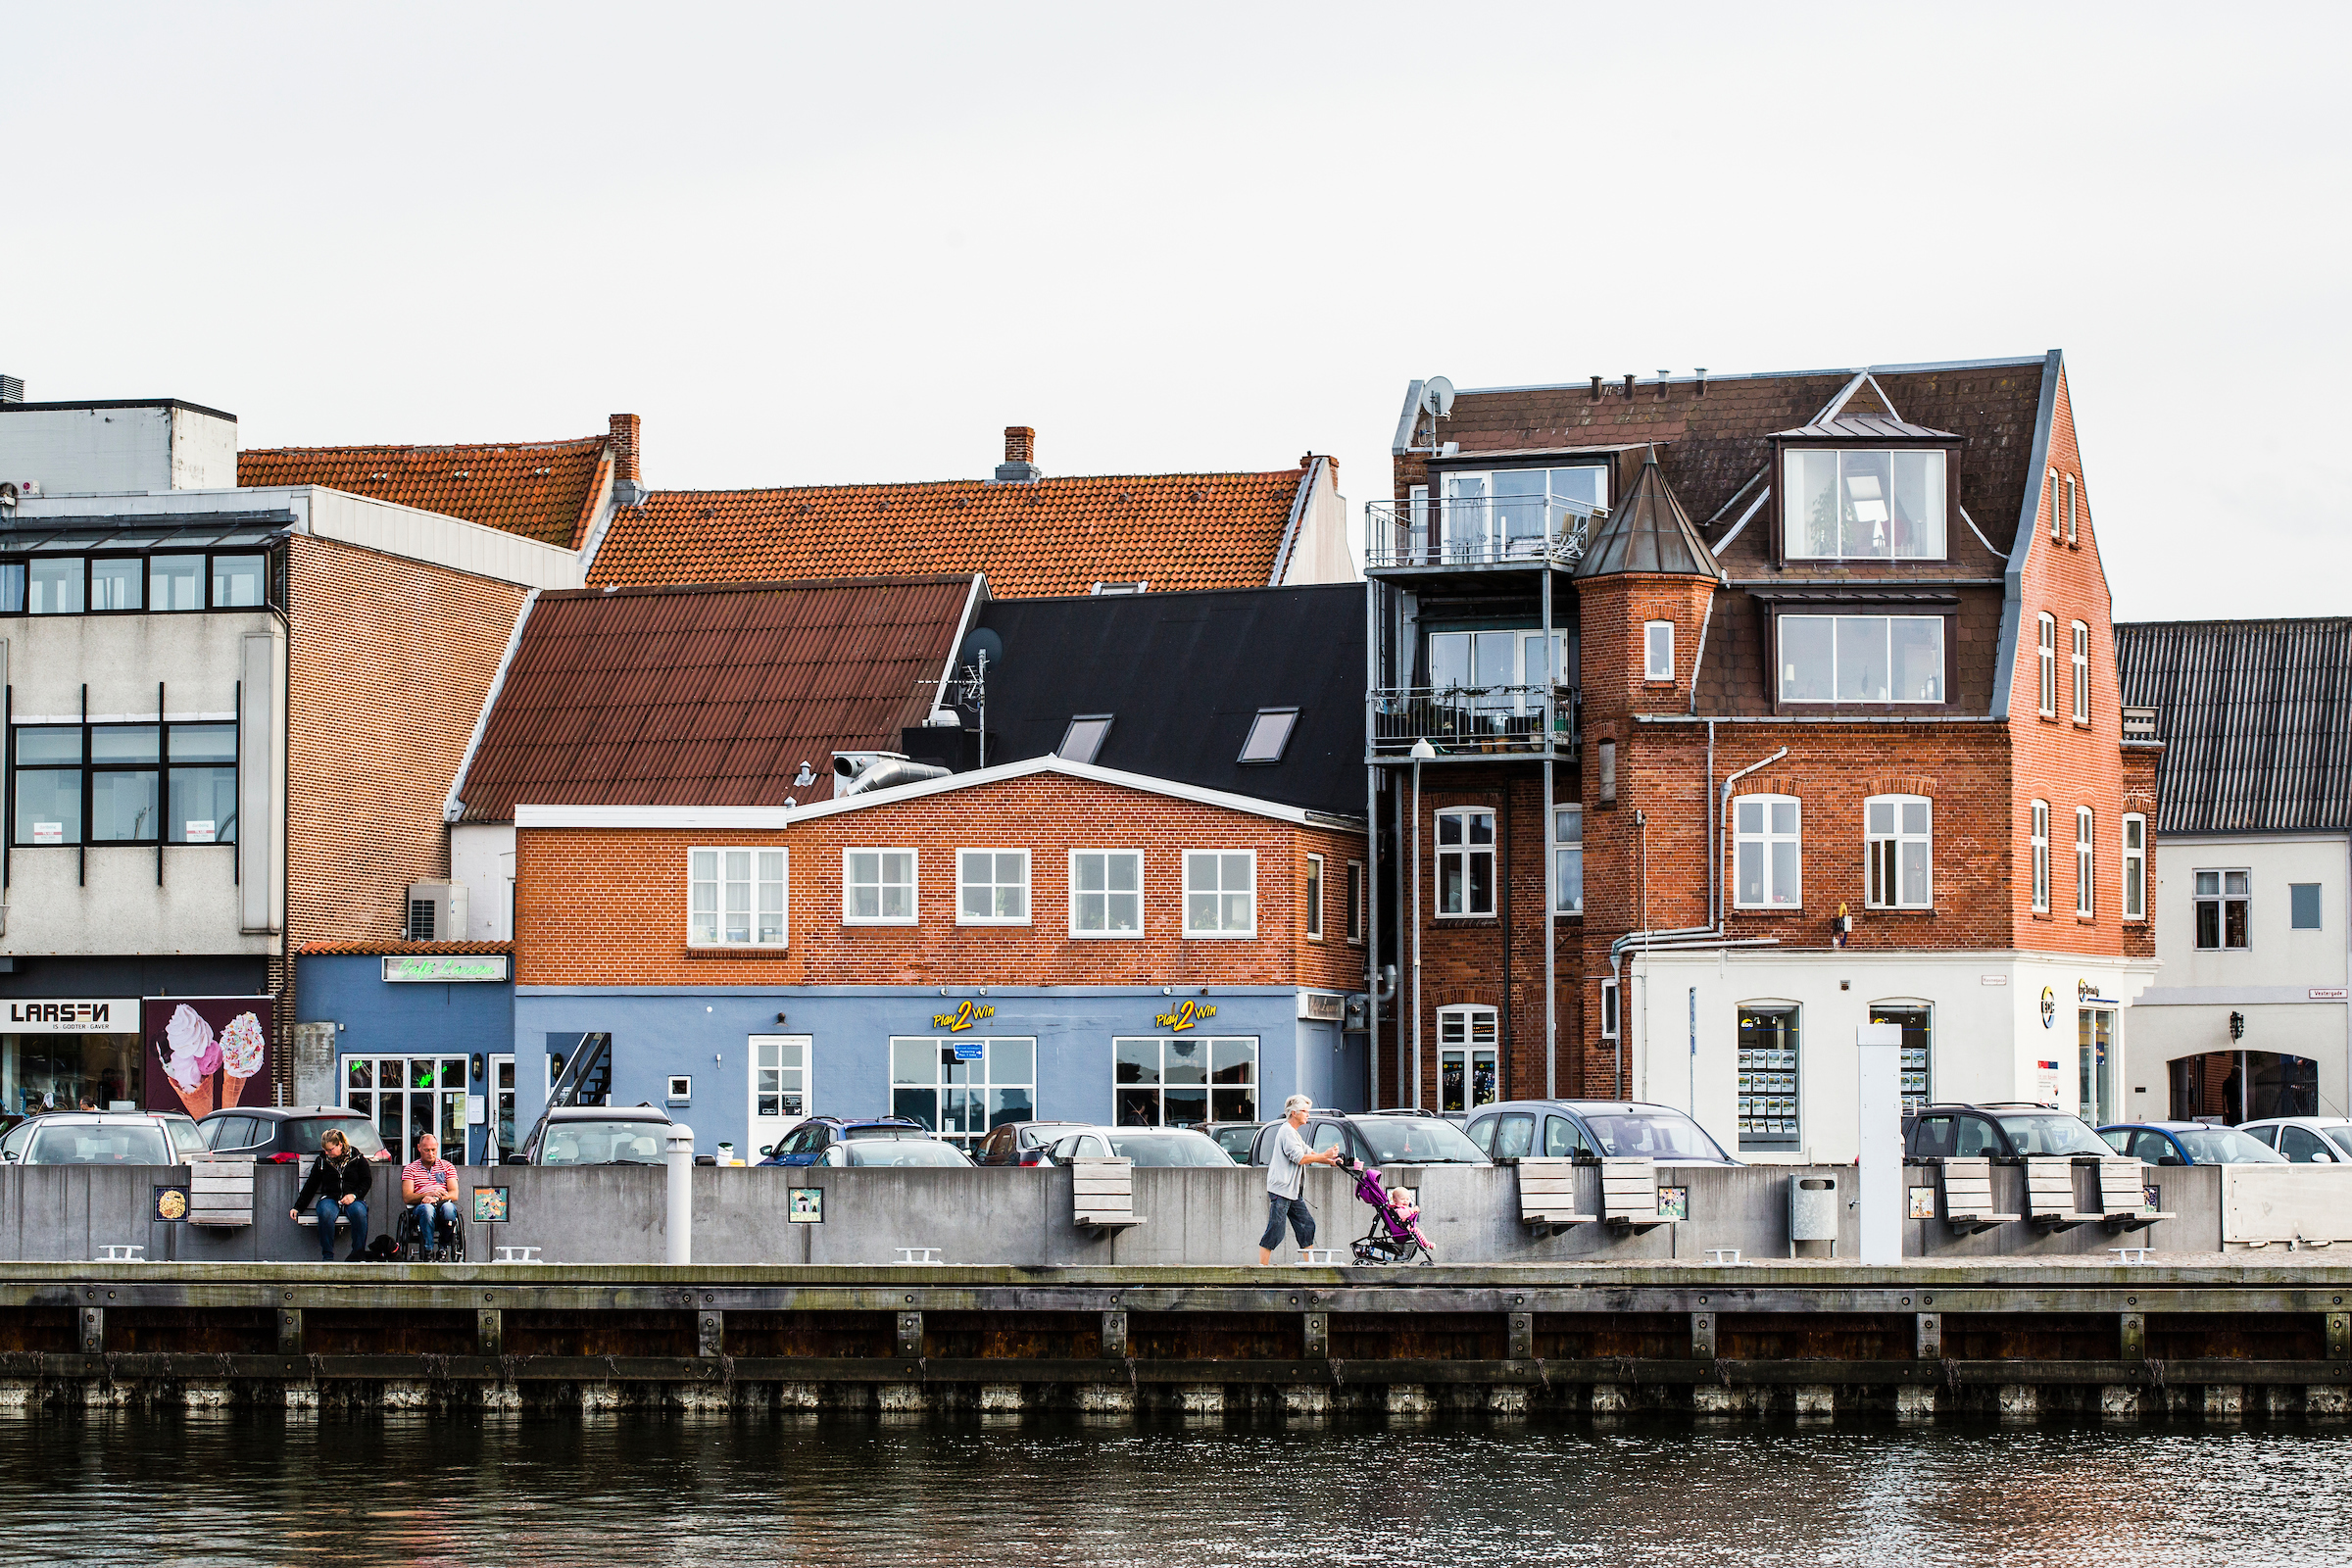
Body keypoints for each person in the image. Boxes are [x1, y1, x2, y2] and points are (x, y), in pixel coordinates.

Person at [1258, 1095, 1343, 1265]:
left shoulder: (1293, 1133)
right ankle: (1262, 1267)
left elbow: (1308, 1152)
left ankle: (1309, 1264)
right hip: (1281, 1189)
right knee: (1276, 1230)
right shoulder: (1287, 1132)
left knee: (1306, 1225)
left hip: (1292, 1191)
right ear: (1294, 1113)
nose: (1307, 1115)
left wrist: (1329, 1161)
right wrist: (1325, 1155)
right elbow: (1299, 1158)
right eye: (1305, 1111)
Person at [290, 1128, 371, 1261]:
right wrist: (298, 1207)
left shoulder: (357, 1158)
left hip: (352, 1198)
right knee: (326, 1212)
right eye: (325, 1150)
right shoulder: (322, 1161)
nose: (327, 1153)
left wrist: (354, 1195)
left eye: (330, 1150)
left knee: (359, 1212)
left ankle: (358, 1254)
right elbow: (311, 1185)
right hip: (330, 1197)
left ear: (340, 1144)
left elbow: (366, 1181)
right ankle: (327, 1256)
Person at [403, 1132, 461, 1256]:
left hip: (442, 1202)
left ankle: (443, 1246)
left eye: (433, 1150)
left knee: (449, 1209)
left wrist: (436, 1198)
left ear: (437, 1147)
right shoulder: (410, 1169)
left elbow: (454, 1193)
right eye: (427, 1150)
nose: (431, 1154)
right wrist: (425, 1195)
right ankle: (428, 1249)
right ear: (419, 1148)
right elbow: (407, 1197)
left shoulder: (447, 1167)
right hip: (421, 1205)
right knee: (427, 1209)